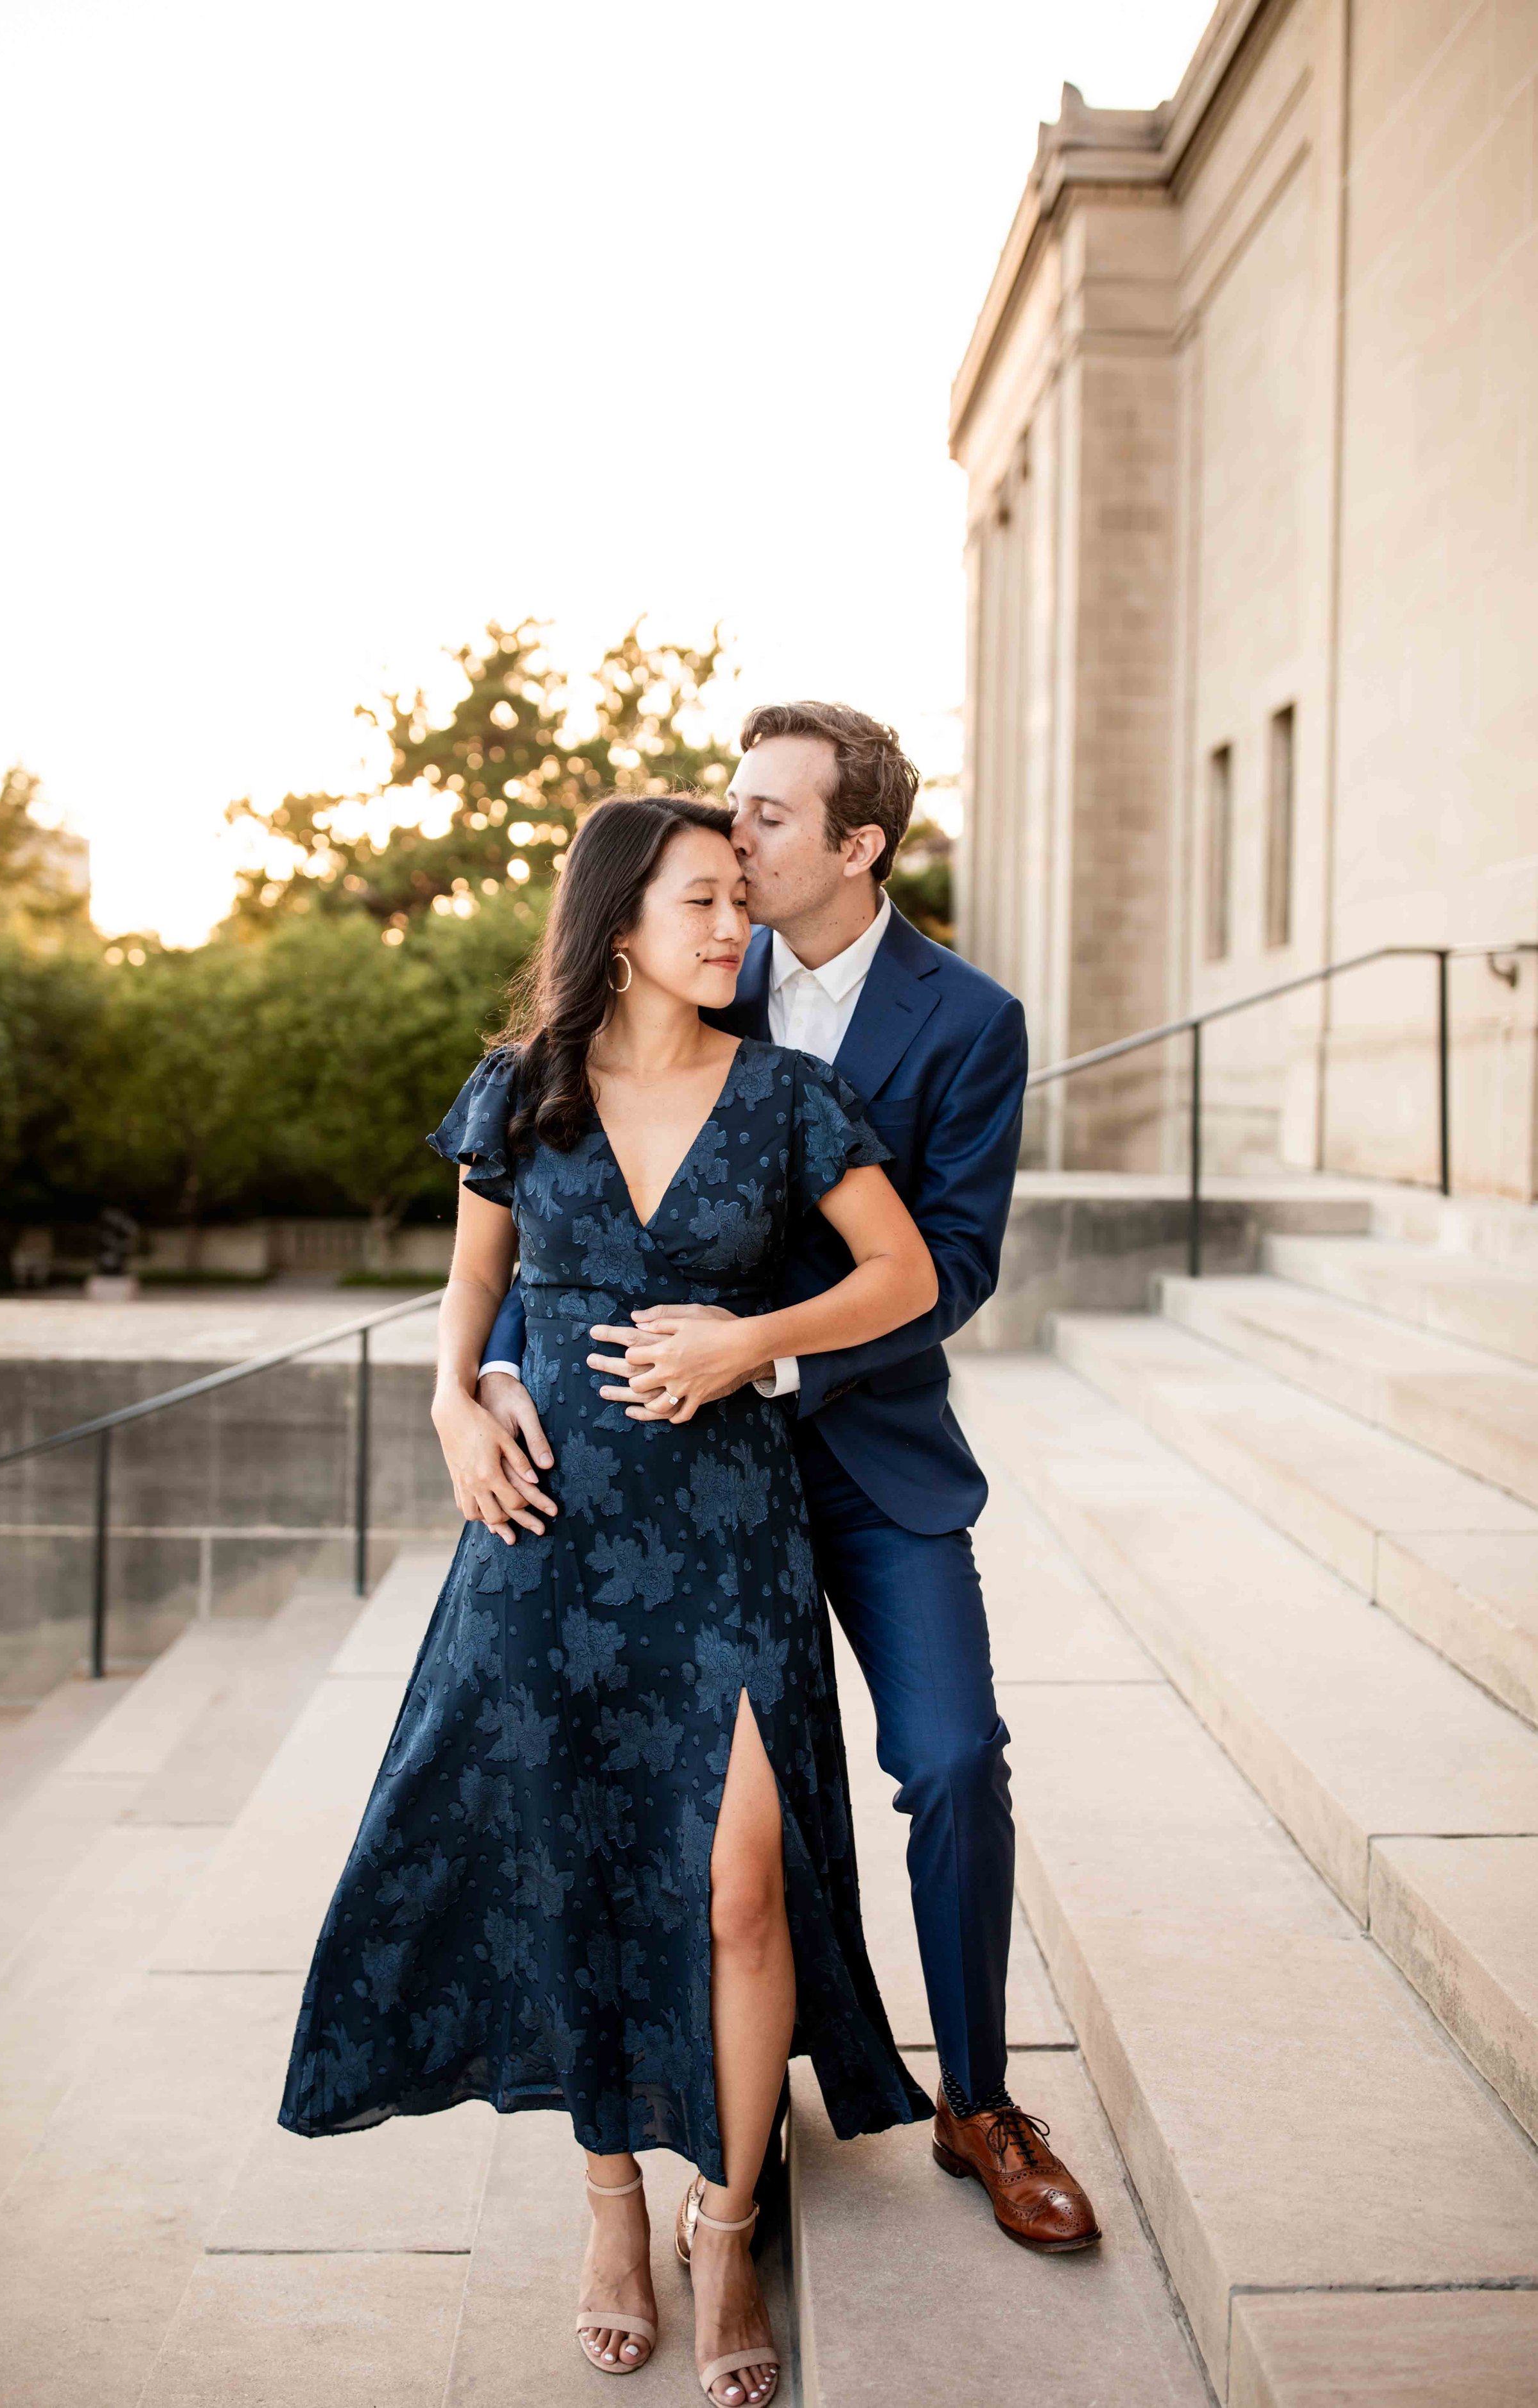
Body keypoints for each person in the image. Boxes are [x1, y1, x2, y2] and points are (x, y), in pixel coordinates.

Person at [279, 792, 938, 2405]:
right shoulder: (520, 1091)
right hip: (549, 1528)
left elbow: (902, 1277)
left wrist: (746, 1340)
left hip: (724, 1524)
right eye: (703, 902)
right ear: (616, 923)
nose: (734, 928)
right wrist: (450, 1401)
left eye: (738, 899)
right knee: (572, 1863)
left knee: (736, 1889)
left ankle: (727, 2223)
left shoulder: (789, 1096)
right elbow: (475, 1283)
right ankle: (608, 2210)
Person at [479, 702, 1102, 2252]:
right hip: (677, 1490)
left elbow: (947, 1269)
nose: (731, 835)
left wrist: (764, 1352)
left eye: (764, 814)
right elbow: (553, 1195)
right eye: (731, 813)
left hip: (864, 1452)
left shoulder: (969, 1021)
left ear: (855, 844)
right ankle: (720, 2121)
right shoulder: (685, 956)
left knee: (952, 1759)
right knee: (703, 1819)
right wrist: (485, 1372)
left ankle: (976, 2098)